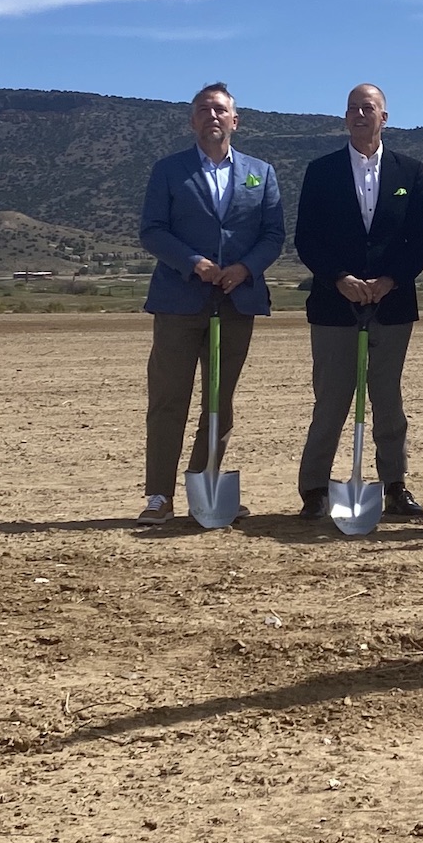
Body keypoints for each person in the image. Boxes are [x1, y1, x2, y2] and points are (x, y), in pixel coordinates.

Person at [136, 82, 286, 526]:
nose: (213, 117)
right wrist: (194, 262)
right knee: (169, 399)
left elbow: (273, 235)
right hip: (179, 301)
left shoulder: (262, 172)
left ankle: (208, 486)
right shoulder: (169, 170)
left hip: (235, 301)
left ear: (235, 120)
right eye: (204, 110)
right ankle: (159, 495)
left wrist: (244, 268)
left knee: (220, 402)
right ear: (193, 120)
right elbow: (153, 230)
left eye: (220, 110)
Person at [293, 82, 423, 520]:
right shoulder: (322, 170)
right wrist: (340, 278)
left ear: (384, 117)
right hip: (335, 306)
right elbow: (307, 238)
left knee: (388, 399)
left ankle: (394, 485)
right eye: (353, 108)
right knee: (332, 399)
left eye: (368, 108)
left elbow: (420, 240)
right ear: (345, 116)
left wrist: (391, 279)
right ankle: (315, 489)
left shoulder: (409, 171)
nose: (360, 114)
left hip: (391, 306)